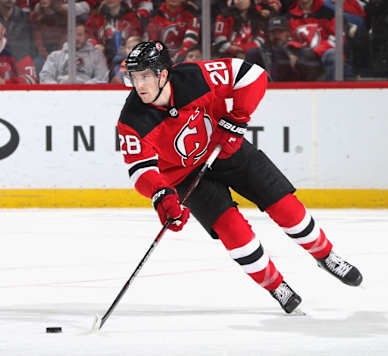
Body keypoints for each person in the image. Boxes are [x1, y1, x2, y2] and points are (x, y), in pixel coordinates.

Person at [117, 40, 363, 314]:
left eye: (145, 76)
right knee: (234, 232)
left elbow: (253, 75)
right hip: (185, 177)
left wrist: (238, 118)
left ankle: (326, 255)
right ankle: (275, 286)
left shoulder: (195, 76)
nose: (139, 85)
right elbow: (140, 170)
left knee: (286, 207)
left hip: (226, 147)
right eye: (134, 77)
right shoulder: (131, 120)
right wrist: (161, 195)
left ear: (163, 74)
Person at [246, 15, 325, 81]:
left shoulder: (297, 47)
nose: (276, 35)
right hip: (266, 85)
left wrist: (297, 61)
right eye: (273, 32)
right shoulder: (263, 51)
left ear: (288, 33)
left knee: (279, 50)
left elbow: (314, 69)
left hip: (294, 84)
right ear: (268, 34)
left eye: (280, 31)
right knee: (252, 52)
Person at [39, 22, 108, 83]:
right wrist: (58, 89)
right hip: (61, 93)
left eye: (80, 35)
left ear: (86, 36)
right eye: (73, 35)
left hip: (86, 94)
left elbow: (102, 77)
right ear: (67, 36)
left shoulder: (96, 55)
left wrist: (85, 88)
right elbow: (45, 76)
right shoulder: (55, 56)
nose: (76, 38)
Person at [286, 0, 337, 81]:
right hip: (301, 56)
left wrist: (316, 51)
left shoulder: (328, 13)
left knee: (333, 55)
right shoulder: (290, 16)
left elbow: (337, 39)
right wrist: (297, 51)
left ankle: (334, 89)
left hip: (323, 55)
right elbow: (290, 39)